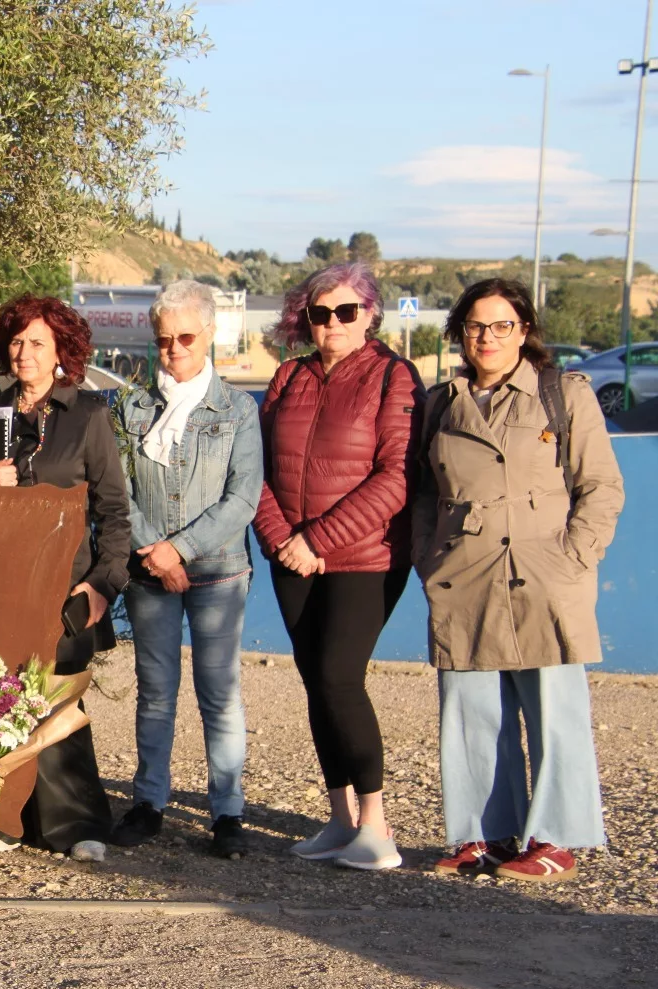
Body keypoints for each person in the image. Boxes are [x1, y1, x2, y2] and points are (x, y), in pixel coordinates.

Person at [415, 278, 623, 882]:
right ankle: (486, 837)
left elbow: (601, 487)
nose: (488, 337)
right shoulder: (441, 403)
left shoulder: (562, 393)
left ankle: (557, 839)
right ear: (460, 332)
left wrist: (575, 558)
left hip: (543, 574)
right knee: (471, 712)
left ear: (523, 330)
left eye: (502, 325)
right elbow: (425, 493)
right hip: (463, 574)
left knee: (555, 710)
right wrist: (429, 558)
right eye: (476, 325)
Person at [253, 261, 424, 872]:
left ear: (369, 314)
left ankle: (376, 826)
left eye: (346, 311)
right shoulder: (288, 376)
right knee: (314, 680)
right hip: (290, 556)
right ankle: (340, 819)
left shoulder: (394, 377)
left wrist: (317, 540)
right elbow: (255, 469)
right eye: (320, 312)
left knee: (339, 677)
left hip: (364, 557)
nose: (333, 323)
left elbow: (396, 477)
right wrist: (281, 539)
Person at [110, 281, 262, 859]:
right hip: (150, 574)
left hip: (219, 571)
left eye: (186, 338)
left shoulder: (239, 409)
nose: (174, 349)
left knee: (219, 694)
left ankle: (228, 812)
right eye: (163, 339)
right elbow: (118, 494)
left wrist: (181, 550)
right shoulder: (130, 408)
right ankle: (149, 803)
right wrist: (156, 552)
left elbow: (242, 498)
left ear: (210, 334)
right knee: (155, 692)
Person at [0, 294, 131, 862]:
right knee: (1, 697)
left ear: (61, 350)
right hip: (1, 585)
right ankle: (4, 819)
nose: (25, 352)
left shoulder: (88, 415)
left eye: (38, 342)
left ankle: (76, 824)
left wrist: (103, 585)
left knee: (61, 700)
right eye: (17, 341)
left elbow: (114, 514)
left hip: (69, 587)